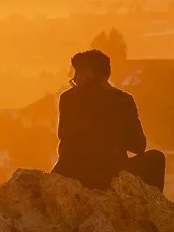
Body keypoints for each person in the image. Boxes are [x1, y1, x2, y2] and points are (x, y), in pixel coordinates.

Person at [52, 49, 166, 191]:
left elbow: (62, 135)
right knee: (156, 158)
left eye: (78, 73)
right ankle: (151, 208)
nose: (75, 79)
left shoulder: (67, 98)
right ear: (106, 75)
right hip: (109, 176)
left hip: (71, 173)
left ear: (88, 73)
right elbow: (139, 146)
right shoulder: (122, 99)